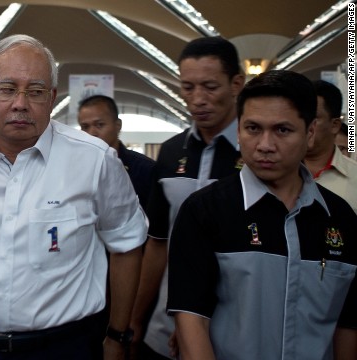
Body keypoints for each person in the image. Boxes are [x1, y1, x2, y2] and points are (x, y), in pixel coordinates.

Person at [0, 34, 147, 359]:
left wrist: (117, 336)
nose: (20, 104)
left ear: (51, 98)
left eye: (35, 92)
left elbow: (127, 244)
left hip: (64, 349)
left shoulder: (95, 161)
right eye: (7, 89)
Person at [167, 69, 357, 360]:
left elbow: (346, 323)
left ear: (309, 133)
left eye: (282, 130)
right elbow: (191, 318)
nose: (265, 145)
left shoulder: (338, 218)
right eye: (253, 128)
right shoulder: (205, 211)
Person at [129, 36, 245, 359]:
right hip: (164, 331)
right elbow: (157, 243)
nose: (198, 99)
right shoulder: (170, 153)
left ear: (236, 83)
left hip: (234, 332)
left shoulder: (258, 154)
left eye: (210, 86)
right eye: (188, 87)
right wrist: (135, 320)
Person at [77, 95, 155, 209]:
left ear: (118, 125)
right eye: (85, 127)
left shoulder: (145, 170)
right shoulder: (75, 169)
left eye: (99, 125)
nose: (91, 133)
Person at [304, 80, 357, 214]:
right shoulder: (280, 172)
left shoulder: (354, 176)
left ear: (335, 125)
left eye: (313, 118)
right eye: (300, 117)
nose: (303, 125)